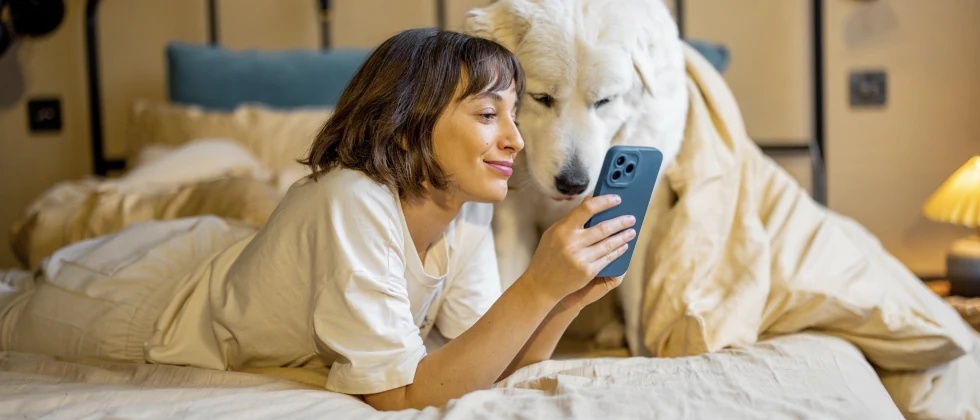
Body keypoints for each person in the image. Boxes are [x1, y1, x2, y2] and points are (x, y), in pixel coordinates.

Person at [0, 28, 636, 412]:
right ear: (409, 125)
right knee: (13, 306)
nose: (517, 142)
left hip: (221, 264)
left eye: (514, 116)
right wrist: (535, 285)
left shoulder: (463, 224)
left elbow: (490, 366)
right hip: (137, 302)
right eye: (487, 115)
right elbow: (397, 396)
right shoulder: (350, 200)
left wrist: (563, 298)